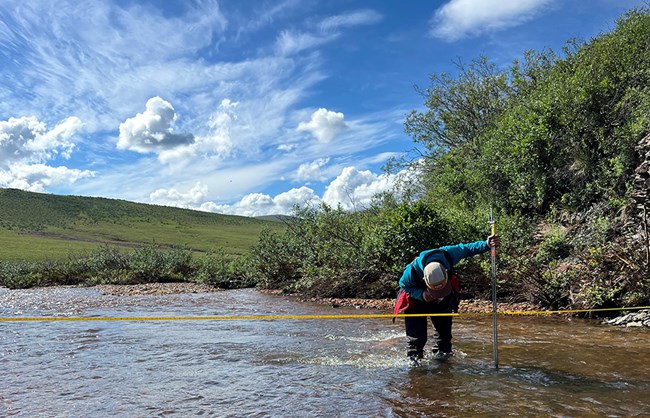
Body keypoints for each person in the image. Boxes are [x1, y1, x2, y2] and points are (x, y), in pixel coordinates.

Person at [394, 235, 500, 363]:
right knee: (416, 340)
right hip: (417, 300)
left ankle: (444, 366)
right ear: (424, 280)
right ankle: (415, 367)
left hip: (444, 299)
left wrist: (486, 245)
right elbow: (404, 286)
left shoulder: (448, 254)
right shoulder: (411, 272)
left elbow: (467, 249)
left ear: (445, 271)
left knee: (444, 338)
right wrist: (422, 295)